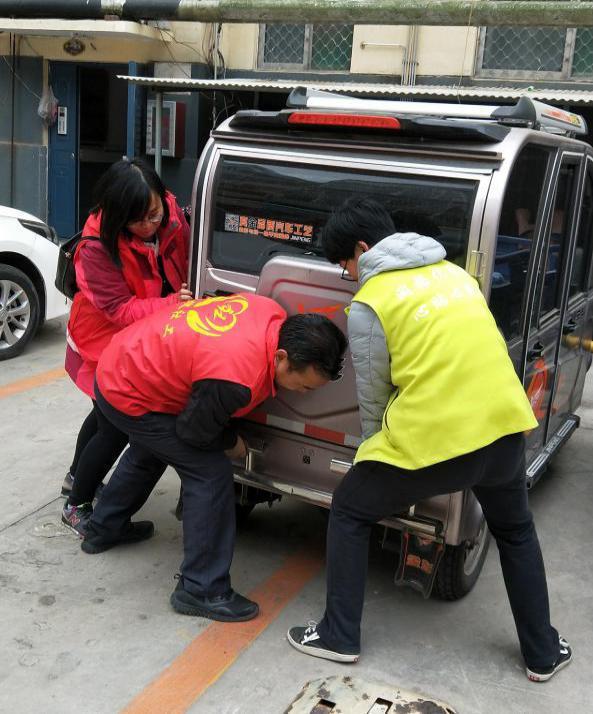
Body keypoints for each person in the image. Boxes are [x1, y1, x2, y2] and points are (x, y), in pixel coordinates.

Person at [287, 196, 572, 683]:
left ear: (361, 248)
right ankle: (543, 653)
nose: (348, 274)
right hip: (503, 429)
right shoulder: (456, 274)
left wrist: (371, 460)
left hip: (437, 443)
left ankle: (338, 636)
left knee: (351, 509)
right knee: (516, 532)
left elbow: (374, 397)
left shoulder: (372, 302)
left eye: (344, 264)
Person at [80, 293, 347, 622]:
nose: (302, 394)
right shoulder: (237, 377)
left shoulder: (269, 312)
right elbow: (194, 432)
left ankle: (104, 527)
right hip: (127, 389)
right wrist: (231, 441)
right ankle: (201, 588)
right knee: (209, 473)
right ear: (281, 357)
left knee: (152, 448)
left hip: (126, 361)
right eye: (303, 386)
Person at [62, 158, 192, 535]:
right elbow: (119, 310)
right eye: (139, 221)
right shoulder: (95, 248)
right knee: (115, 426)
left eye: (154, 213)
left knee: (102, 417)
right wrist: (173, 305)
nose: (152, 224)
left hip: (148, 333)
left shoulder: (168, 212)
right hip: (103, 339)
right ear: (118, 216)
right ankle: (76, 506)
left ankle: (75, 477)